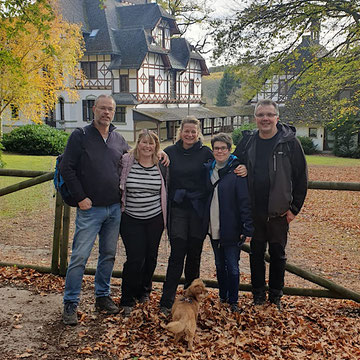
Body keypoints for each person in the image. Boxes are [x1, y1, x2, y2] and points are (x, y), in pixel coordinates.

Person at [60, 94, 130, 325]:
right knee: (80, 257)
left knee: (108, 255)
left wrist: (161, 153)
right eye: (102, 108)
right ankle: (70, 303)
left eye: (110, 109)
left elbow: (134, 159)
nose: (106, 113)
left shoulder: (118, 139)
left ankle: (102, 296)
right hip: (89, 210)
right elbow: (67, 168)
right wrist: (80, 197)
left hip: (113, 209)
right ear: (93, 109)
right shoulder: (80, 136)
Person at [233, 99, 308, 309]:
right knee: (255, 255)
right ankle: (258, 295)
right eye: (260, 115)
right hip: (254, 212)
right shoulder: (248, 141)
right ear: (255, 118)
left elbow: (301, 177)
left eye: (269, 114)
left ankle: (275, 296)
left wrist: (294, 209)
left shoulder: (290, 142)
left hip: (279, 213)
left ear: (277, 117)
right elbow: (232, 162)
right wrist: (240, 166)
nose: (265, 118)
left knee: (278, 256)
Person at [159, 116, 214, 314]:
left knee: (194, 255)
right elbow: (153, 162)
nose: (189, 135)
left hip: (198, 209)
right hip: (179, 208)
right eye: (186, 131)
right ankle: (166, 302)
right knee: (177, 254)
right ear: (180, 131)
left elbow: (223, 165)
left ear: (198, 133)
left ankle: (190, 301)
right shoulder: (170, 152)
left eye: (193, 131)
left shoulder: (206, 153)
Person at [119, 129, 167, 317]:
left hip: (154, 218)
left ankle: (144, 291)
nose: (147, 146)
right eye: (144, 142)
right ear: (138, 143)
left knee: (151, 256)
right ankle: (127, 298)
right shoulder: (127, 161)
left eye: (151, 143)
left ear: (156, 146)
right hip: (131, 218)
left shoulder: (161, 164)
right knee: (135, 258)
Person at [205, 133, 253, 313]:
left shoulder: (236, 171)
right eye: (216, 148)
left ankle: (233, 301)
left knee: (232, 266)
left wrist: (248, 226)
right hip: (213, 225)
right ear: (212, 149)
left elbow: (244, 201)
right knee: (219, 265)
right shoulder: (208, 169)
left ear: (229, 149)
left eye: (223, 148)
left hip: (231, 226)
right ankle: (223, 296)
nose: (219, 151)